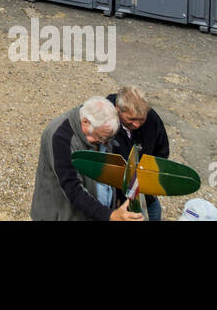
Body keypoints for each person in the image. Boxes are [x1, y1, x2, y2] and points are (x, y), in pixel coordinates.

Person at [31, 97, 144, 221]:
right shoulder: (60, 137)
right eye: (100, 138)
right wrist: (110, 215)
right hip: (62, 215)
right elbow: (72, 188)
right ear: (85, 122)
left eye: (108, 139)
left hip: (94, 213)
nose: (104, 143)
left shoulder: (101, 128)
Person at [109, 86, 170, 221]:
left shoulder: (151, 118)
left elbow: (162, 151)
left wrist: (149, 181)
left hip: (145, 193)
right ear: (118, 110)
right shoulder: (105, 120)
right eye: (131, 119)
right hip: (115, 199)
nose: (136, 124)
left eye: (141, 120)